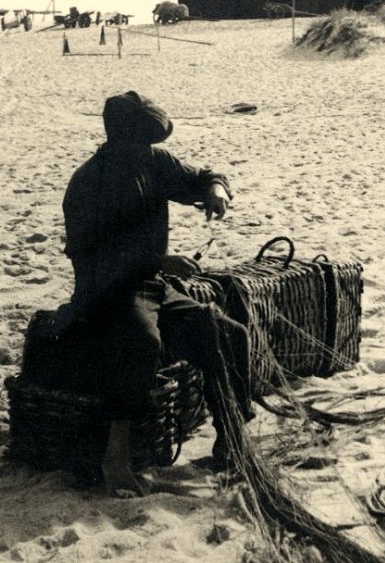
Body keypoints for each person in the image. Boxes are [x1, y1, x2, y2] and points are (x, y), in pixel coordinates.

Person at [62, 91, 252, 497]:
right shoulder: (88, 182)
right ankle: (115, 457)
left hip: (153, 286)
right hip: (105, 294)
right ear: (119, 138)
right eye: (141, 140)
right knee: (142, 343)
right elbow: (89, 256)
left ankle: (231, 437)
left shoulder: (152, 161)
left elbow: (204, 176)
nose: (148, 148)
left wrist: (216, 189)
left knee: (229, 333)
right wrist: (158, 262)